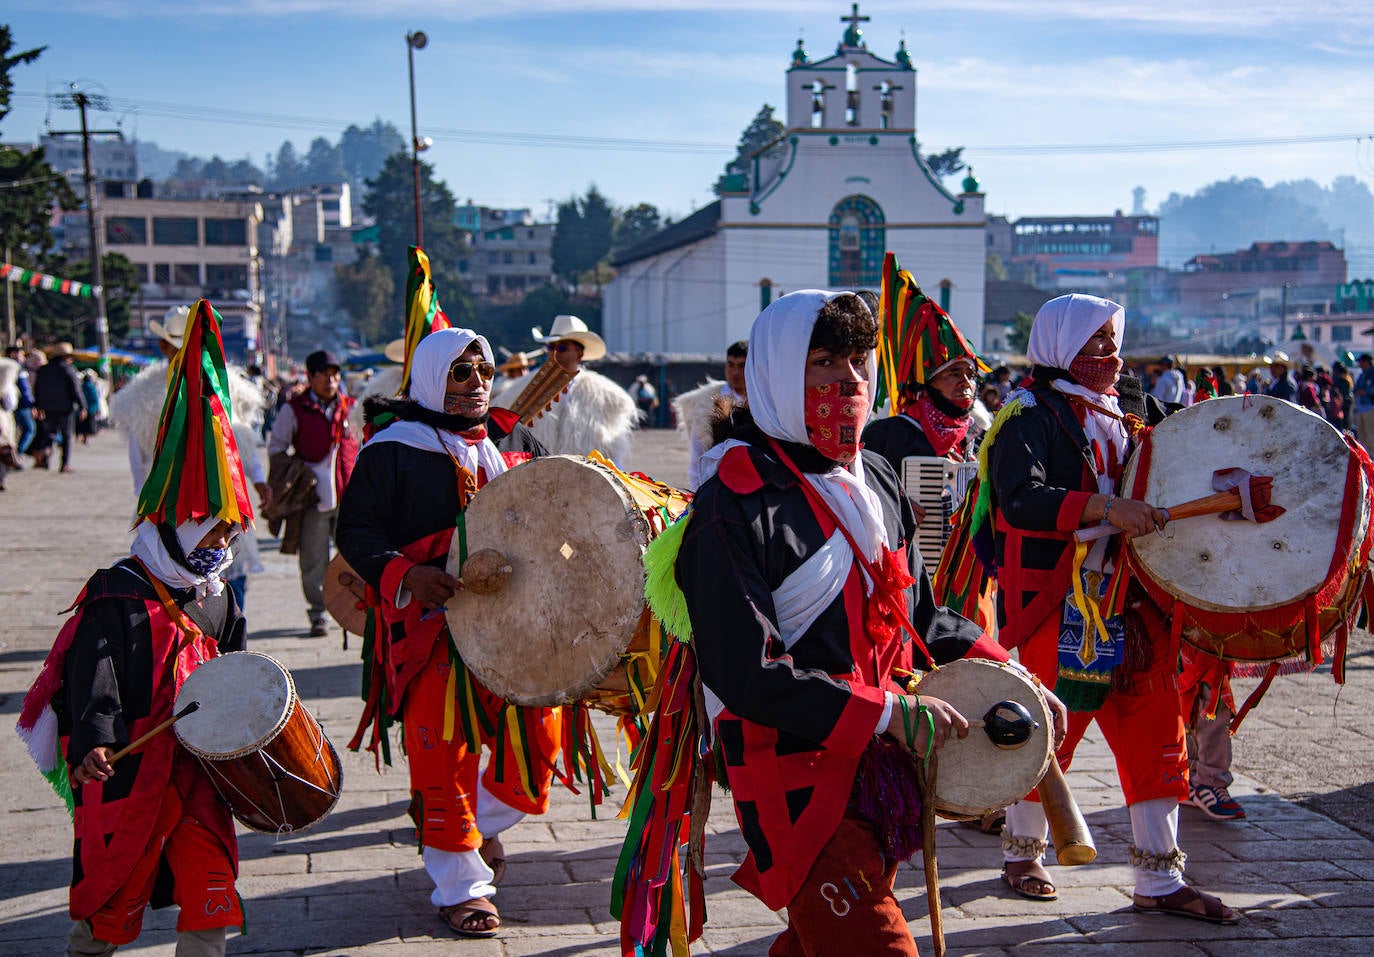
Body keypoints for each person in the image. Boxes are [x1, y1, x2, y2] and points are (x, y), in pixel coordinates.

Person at [665, 290, 1066, 954]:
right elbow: (744, 671)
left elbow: (925, 617)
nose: (847, 381)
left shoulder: (875, 477)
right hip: (794, 776)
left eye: (857, 360)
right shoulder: (732, 501)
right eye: (823, 361)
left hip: (882, 772)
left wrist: (1009, 670)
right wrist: (884, 712)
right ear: (778, 372)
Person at [979, 294, 1236, 923]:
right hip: (1061, 601)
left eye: (1112, 341)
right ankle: (1021, 852)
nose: (1109, 355)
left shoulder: (1136, 411)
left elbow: (1195, 460)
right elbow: (1019, 499)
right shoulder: (1027, 415)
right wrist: (1105, 508)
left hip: (1135, 597)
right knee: (1049, 731)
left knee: (1156, 733)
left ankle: (1160, 876)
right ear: (1059, 345)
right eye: (1093, 342)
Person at [16, 300, 255, 957]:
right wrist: (92, 741)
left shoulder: (220, 600)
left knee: (210, 893)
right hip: (124, 772)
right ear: (177, 524)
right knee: (110, 906)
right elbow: (93, 679)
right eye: (213, 526)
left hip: (199, 775)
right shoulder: (115, 594)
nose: (223, 540)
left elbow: (236, 675)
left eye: (230, 529)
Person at [335, 328, 559, 940]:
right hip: (431, 629)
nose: (477, 384)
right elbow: (355, 533)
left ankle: (474, 826)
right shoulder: (391, 449)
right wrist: (408, 573)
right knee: (443, 752)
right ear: (433, 377)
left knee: (539, 743)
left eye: (484, 372)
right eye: (462, 373)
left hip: (514, 627)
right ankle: (461, 883)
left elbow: (555, 511)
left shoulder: (514, 439)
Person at [269, 349, 357, 637]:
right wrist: (297, 473)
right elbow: (276, 448)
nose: (331, 380)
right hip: (313, 499)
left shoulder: (352, 408)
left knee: (354, 555)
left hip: (349, 497)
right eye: (324, 374)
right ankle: (319, 613)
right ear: (310, 377)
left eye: (335, 374)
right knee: (313, 559)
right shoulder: (294, 409)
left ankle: (355, 609)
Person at [492, 314, 637, 464]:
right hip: (535, 477)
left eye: (561, 347)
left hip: (584, 479)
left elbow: (612, 451)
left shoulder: (607, 398)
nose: (554, 352)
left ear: (579, 354)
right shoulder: (518, 391)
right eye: (550, 346)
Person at [673, 339, 749, 491]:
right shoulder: (705, 402)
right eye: (730, 364)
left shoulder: (764, 401)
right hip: (714, 488)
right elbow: (697, 459)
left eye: (742, 366)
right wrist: (697, 495)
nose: (735, 372)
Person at [32, 342, 86, 472]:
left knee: (49, 434)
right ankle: (64, 464)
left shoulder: (43, 370)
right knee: (66, 436)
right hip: (65, 408)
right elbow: (76, 389)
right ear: (65, 356)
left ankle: (45, 458)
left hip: (47, 408)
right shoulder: (68, 369)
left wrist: (38, 406)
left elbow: (37, 389)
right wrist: (83, 406)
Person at [6, 345, 37, 457]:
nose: (23, 357)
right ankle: (16, 454)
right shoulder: (19, 370)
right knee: (30, 429)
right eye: (21, 354)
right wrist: (31, 405)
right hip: (20, 406)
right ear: (13, 354)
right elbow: (25, 390)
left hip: (6, 407)